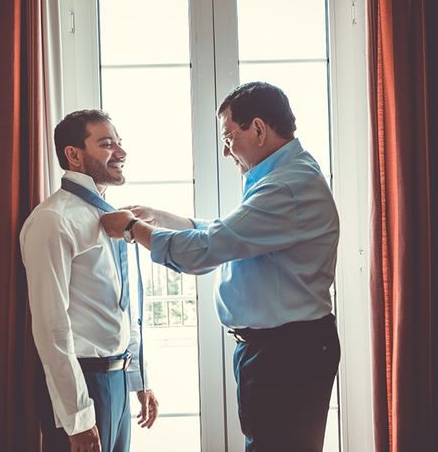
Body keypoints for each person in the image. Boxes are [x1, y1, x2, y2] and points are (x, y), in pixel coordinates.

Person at [100, 82, 340, 452]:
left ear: (258, 129)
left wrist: (134, 230)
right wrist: (162, 219)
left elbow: (209, 249)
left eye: (229, 137)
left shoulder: (286, 187)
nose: (226, 152)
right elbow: (230, 235)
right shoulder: (282, 177)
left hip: (286, 352)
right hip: (278, 348)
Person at [20, 110, 158, 452]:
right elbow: (51, 326)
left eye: (119, 143)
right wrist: (78, 417)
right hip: (81, 382)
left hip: (117, 379)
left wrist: (137, 377)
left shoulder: (113, 219)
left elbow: (124, 305)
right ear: (74, 154)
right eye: (108, 144)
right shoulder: (53, 220)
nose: (121, 153)